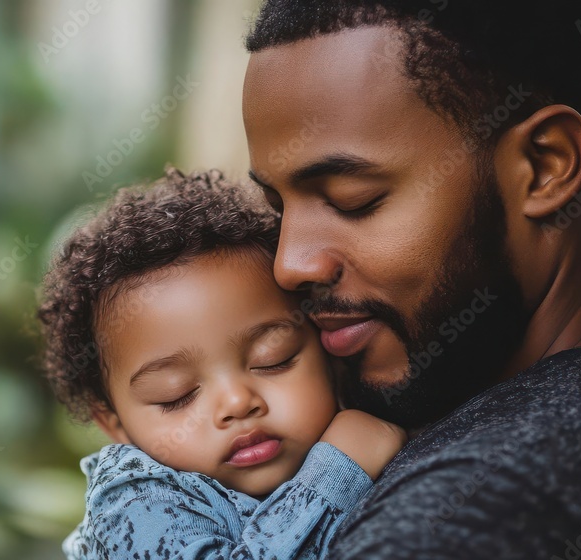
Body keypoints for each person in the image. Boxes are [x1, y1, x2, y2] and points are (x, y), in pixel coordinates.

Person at [241, 0, 581, 558]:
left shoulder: (496, 505)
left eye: (353, 201)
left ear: (545, 164)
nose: (290, 264)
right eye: (276, 208)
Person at [37, 169, 405, 559]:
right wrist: (337, 473)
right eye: (177, 396)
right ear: (116, 426)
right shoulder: (131, 503)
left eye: (272, 360)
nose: (236, 402)